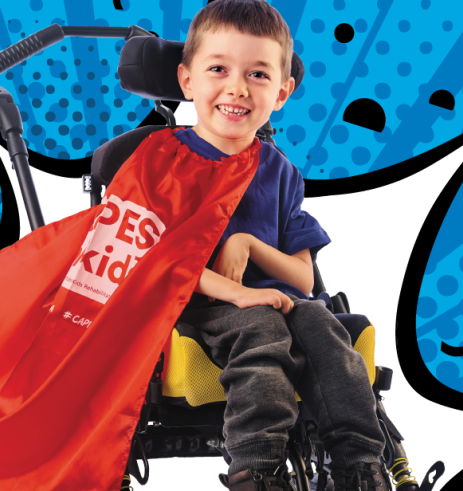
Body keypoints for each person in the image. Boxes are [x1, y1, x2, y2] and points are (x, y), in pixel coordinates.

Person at [172, 1, 387, 490]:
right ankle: (258, 468)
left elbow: (304, 280)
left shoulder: (281, 172)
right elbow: (159, 262)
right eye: (219, 69)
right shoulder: (167, 166)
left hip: (282, 299)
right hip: (200, 303)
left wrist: (247, 242)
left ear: (282, 91)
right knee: (262, 328)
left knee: (324, 326)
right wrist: (242, 294)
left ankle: (358, 464)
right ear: (188, 81)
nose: (237, 87)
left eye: (258, 74)